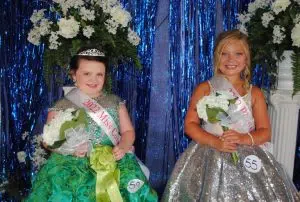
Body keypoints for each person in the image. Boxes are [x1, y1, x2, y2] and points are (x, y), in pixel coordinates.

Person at [162, 30, 298, 201]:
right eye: (224, 54)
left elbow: (264, 132)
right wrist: (216, 142)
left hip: (247, 156)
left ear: (246, 59)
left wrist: (242, 138)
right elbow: (190, 125)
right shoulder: (205, 88)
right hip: (208, 155)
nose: (230, 60)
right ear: (216, 58)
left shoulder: (255, 93)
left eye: (238, 54)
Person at [26, 47, 158, 201]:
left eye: (99, 74)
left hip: (111, 160)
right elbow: (48, 140)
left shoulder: (115, 102)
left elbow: (128, 131)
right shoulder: (61, 105)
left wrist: (123, 146)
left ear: (105, 76)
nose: (93, 80)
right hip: (72, 165)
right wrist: (68, 150)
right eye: (87, 74)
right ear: (74, 74)